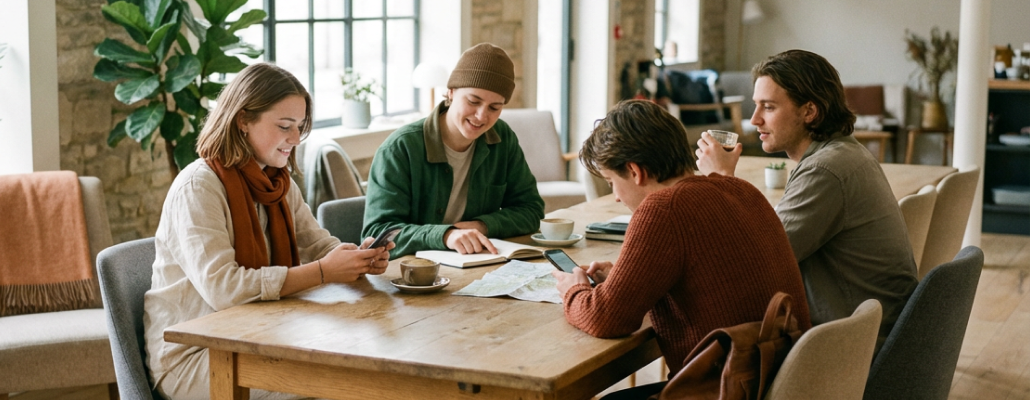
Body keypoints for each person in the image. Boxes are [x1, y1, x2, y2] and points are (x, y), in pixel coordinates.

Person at [143, 63, 394, 400]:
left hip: (263, 334)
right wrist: (324, 272)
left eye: (300, 126)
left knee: (369, 360)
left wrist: (356, 258)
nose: (295, 138)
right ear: (243, 120)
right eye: (284, 126)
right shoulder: (197, 186)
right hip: (195, 355)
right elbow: (224, 289)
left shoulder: (277, 182)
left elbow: (317, 244)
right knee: (339, 382)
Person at [553, 100, 811, 398]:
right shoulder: (742, 190)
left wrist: (573, 290)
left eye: (612, 182)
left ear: (635, 171)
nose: (615, 197)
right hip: (778, 381)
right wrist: (624, 277)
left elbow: (607, 318)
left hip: (730, 389)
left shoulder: (662, 208)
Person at [694, 49, 918, 345]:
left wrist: (720, 181)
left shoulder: (826, 170)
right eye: (756, 106)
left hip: (853, 350)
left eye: (768, 107)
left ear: (809, 111)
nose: (755, 119)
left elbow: (750, 264)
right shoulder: (842, 154)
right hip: (868, 334)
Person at [363, 43, 544, 259]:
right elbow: (377, 234)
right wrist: (445, 236)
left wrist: (482, 226)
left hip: (475, 265)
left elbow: (531, 210)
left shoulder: (502, 138)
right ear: (451, 91)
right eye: (473, 101)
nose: (481, 116)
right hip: (413, 275)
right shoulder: (400, 149)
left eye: (494, 108)